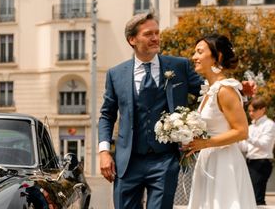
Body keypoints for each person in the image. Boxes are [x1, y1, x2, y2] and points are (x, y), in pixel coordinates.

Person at [98, 12, 202, 209]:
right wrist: (104, 152)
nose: (155, 38)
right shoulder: (116, 74)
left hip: (164, 160)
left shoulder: (179, 66)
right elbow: (107, 115)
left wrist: (235, 88)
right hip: (127, 162)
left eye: (157, 32)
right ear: (132, 40)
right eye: (148, 34)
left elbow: (207, 91)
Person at [184, 34, 257, 208]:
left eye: (199, 52)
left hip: (224, 164)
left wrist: (206, 143)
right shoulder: (210, 91)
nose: (194, 57)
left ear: (218, 57)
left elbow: (241, 131)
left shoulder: (225, 90)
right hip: (208, 160)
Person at [239, 96, 275, 205]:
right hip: (250, 162)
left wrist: (246, 136)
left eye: (253, 110)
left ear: (263, 109)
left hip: (262, 163)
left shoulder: (270, 125)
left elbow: (265, 145)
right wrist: (236, 139)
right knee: (250, 197)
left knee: (257, 198)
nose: (250, 113)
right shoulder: (250, 127)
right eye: (249, 110)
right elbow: (245, 148)